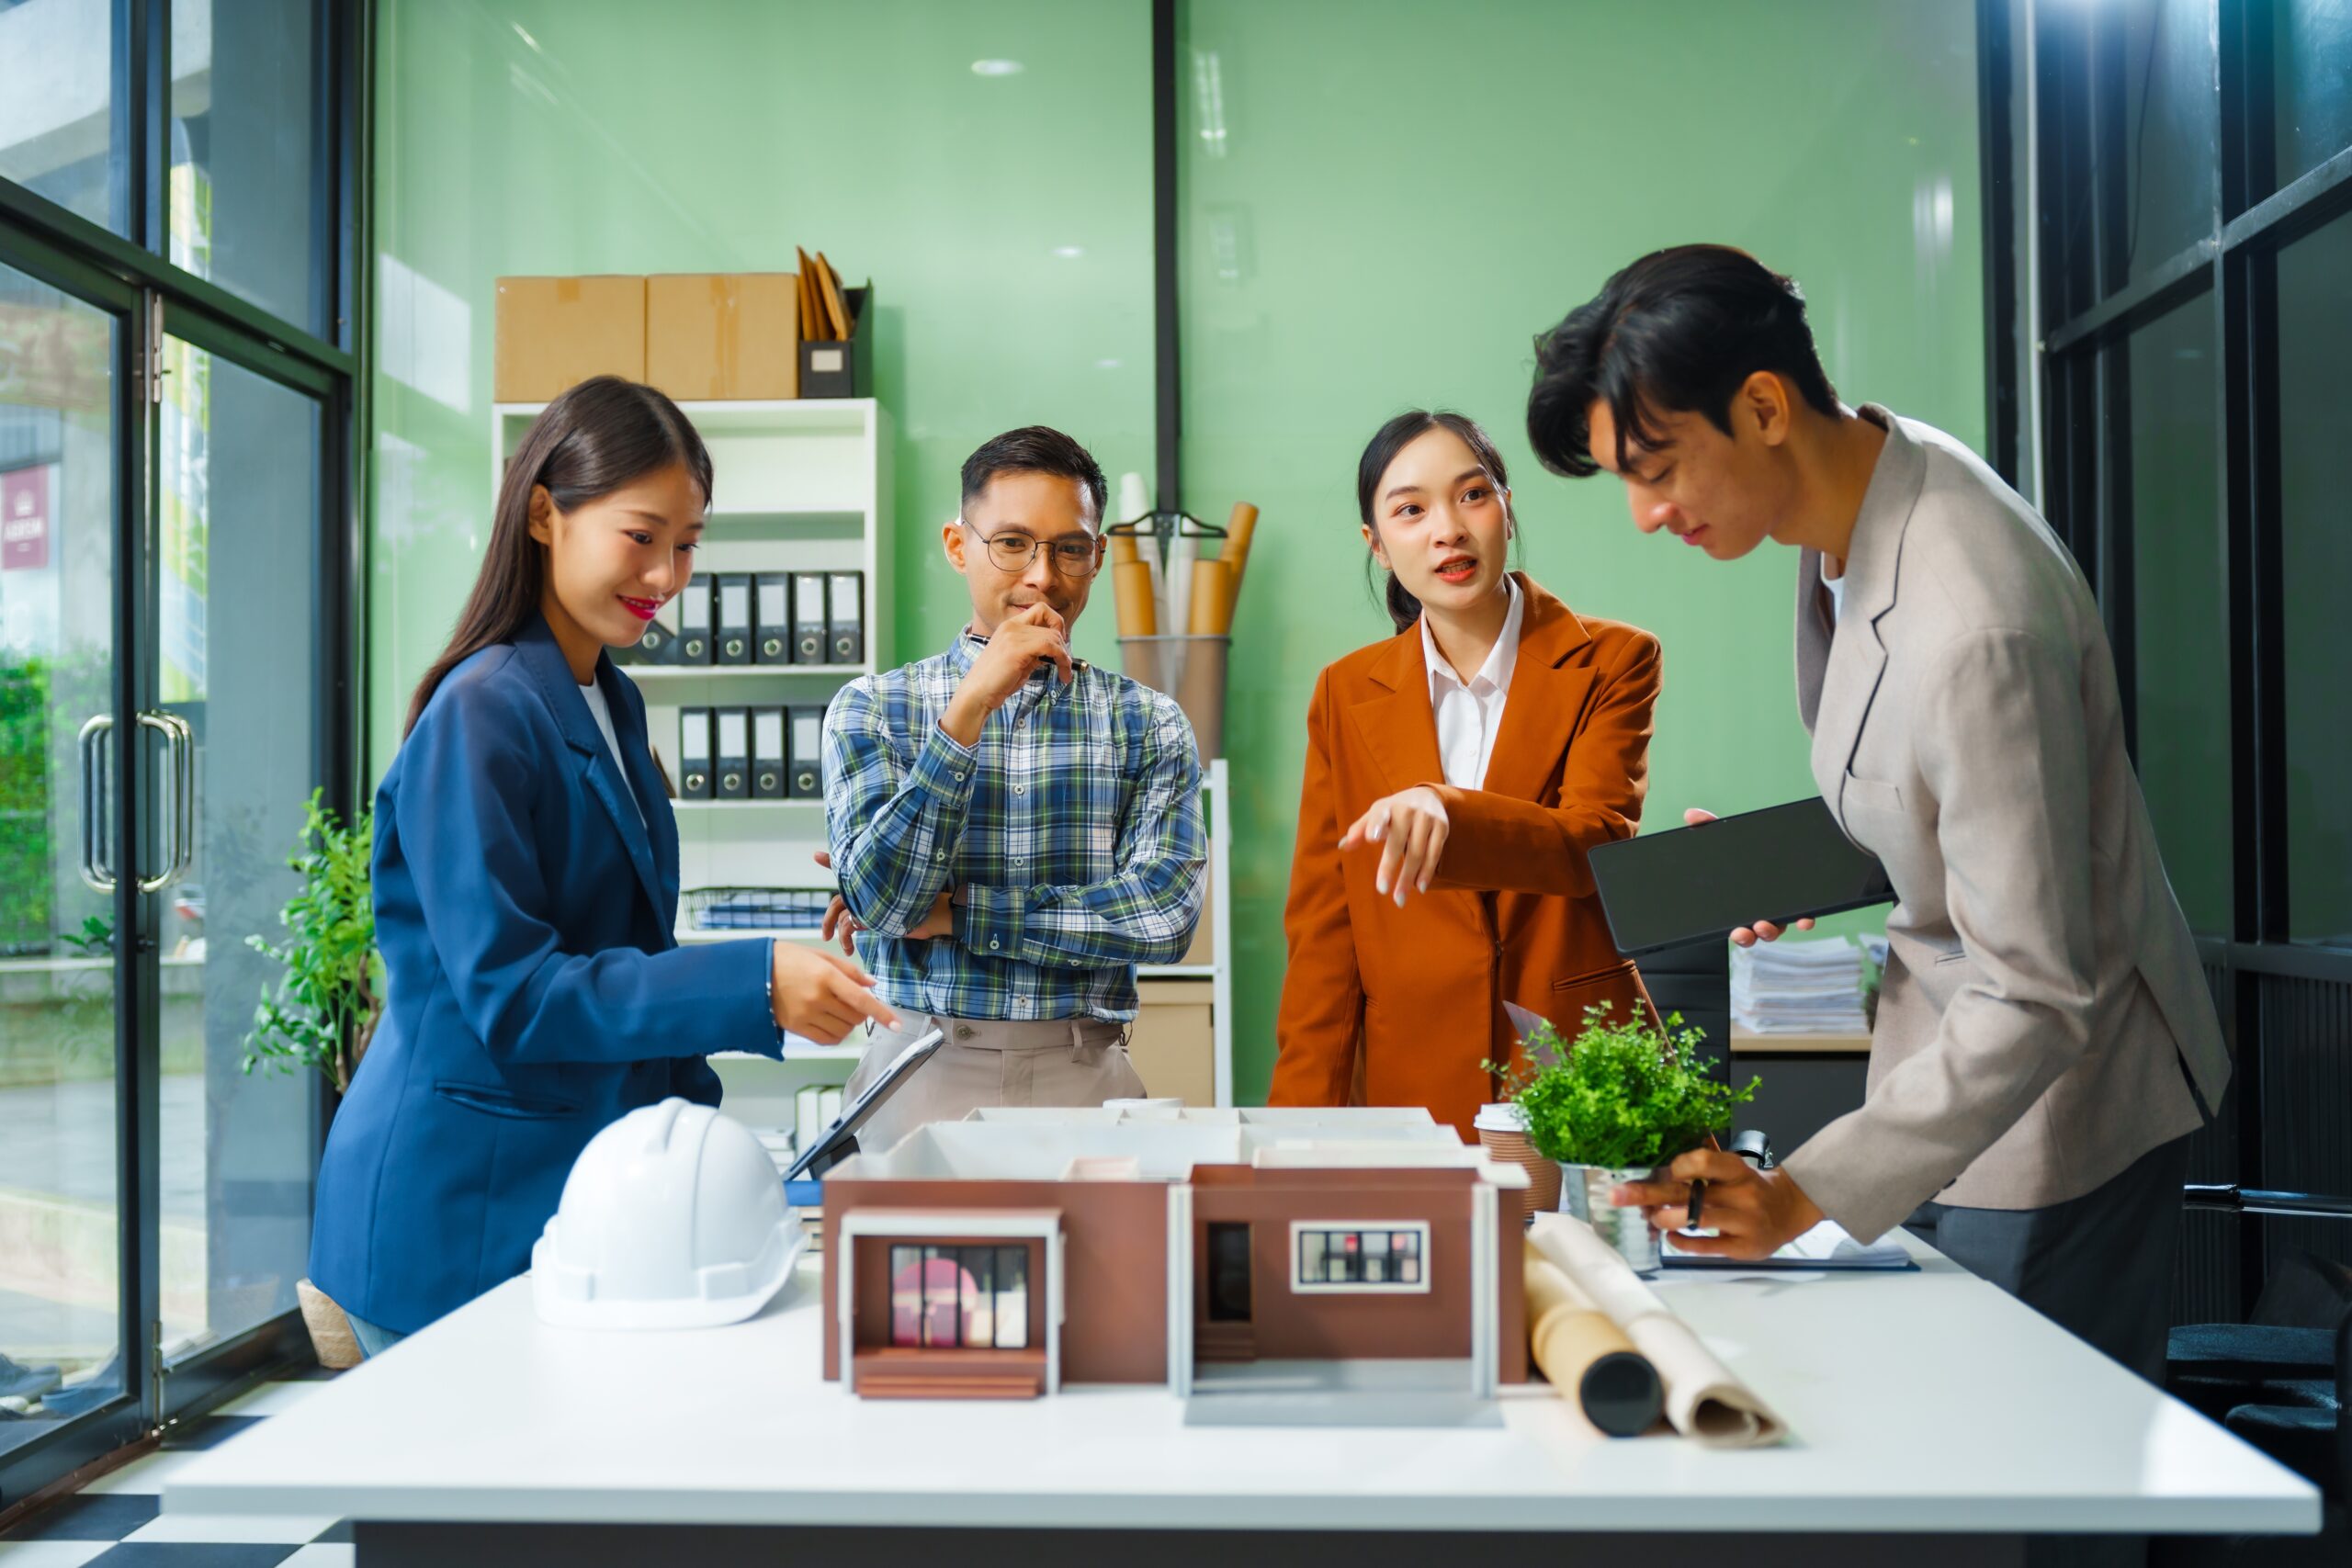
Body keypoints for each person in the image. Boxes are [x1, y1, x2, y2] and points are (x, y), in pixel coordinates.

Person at [1528, 245, 2230, 1383]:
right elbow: (1953, 781)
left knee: (2025, 1491)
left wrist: (1798, 1193)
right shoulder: (1857, 493)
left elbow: (2040, 992)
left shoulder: (1973, 622)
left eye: (1654, 468)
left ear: (1761, 407)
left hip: (2054, 1107)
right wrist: (1798, 860)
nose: (1645, 513)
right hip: (1953, 1058)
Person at [310, 377, 896, 1357]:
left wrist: (725, 1157)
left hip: (567, 1197)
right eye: (642, 535)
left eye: (689, 542)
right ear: (545, 512)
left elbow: (624, 948)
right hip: (457, 1211)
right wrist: (753, 980)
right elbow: (517, 994)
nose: (668, 574)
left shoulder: (610, 701)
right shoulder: (482, 711)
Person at [1267, 411, 1662, 1141]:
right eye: (1411, 510)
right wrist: (1299, 1136)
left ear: (1508, 508)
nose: (1447, 528)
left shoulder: (1614, 659)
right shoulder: (1343, 693)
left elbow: (1594, 842)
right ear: (1377, 545)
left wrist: (1450, 810)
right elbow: (1326, 931)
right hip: (1413, 1082)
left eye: (1472, 495)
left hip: (1575, 1064)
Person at [821, 425, 1205, 1151]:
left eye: (1071, 547)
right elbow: (886, 901)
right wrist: (967, 711)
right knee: (918, 1270)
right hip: (918, 1068)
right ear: (958, 545)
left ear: (1096, 556)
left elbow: (1162, 917)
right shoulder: (873, 707)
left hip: (1084, 1069)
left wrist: (961, 912)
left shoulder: (1148, 721)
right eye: (1012, 543)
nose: (1043, 576)